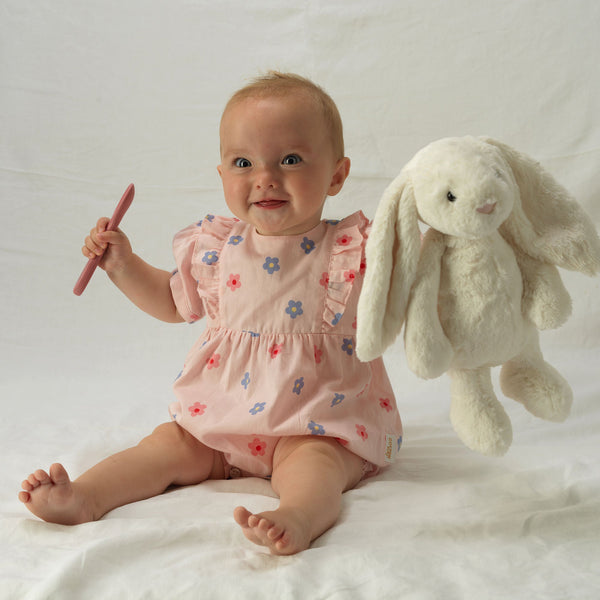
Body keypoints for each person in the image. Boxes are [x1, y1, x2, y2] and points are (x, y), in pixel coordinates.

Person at [18, 72, 403, 555]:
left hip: (316, 421)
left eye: (290, 159)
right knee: (165, 445)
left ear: (337, 175)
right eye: (243, 163)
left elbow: (412, 285)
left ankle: (299, 516)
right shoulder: (217, 249)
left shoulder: (353, 249)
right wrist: (122, 264)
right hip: (221, 420)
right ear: (222, 176)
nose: (265, 177)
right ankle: (85, 496)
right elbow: (170, 301)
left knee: (316, 467)